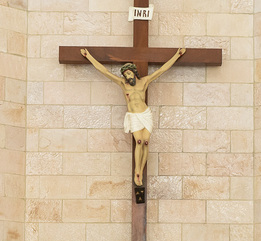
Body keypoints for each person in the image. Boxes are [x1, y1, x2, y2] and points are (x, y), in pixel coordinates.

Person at [80, 48, 187, 188]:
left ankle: (141, 170)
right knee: (139, 140)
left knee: (146, 142)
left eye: (129, 73)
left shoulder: (144, 81)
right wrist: (88, 56)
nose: (127, 76)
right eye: (125, 74)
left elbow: (161, 70)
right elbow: (105, 71)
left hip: (145, 114)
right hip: (134, 116)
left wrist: (176, 55)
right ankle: (137, 171)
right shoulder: (123, 84)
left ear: (134, 72)